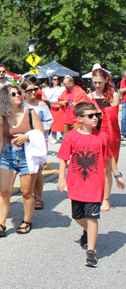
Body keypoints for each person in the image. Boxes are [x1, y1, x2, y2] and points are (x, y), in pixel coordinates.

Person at [57, 102, 125, 267]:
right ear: (80, 118)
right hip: (76, 183)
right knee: (77, 215)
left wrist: (117, 175)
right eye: (91, 116)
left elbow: (108, 157)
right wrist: (61, 179)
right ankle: (88, 231)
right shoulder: (71, 136)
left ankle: (91, 252)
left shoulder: (102, 136)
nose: (95, 118)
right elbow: (63, 158)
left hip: (95, 184)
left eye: (97, 115)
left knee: (92, 217)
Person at [0, 85, 45, 236]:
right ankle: (0, 224)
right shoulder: (2, 117)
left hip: (27, 155)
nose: (18, 95)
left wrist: (27, 137)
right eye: (14, 94)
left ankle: (27, 221)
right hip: (7, 154)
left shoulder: (30, 113)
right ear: (6, 98)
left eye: (19, 93)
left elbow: (41, 133)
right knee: (4, 191)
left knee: (27, 192)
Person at [89, 68, 121, 212]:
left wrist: (102, 112)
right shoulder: (89, 95)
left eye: (100, 83)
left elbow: (114, 117)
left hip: (109, 135)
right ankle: (95, 194)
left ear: (106, 81)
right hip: (93, 134)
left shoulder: (113, 95)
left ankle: (106, 199)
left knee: (106, 168)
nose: (97, 85)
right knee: (93, 167)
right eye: (94, 82)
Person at [22, 80, 54, 211]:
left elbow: (49, 121)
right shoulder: (21, 105)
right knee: (27, 168)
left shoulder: (42, 104)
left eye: (35, 89)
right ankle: (28, 193)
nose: (34, 92)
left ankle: (39, 196)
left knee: (38, 168)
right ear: (24, 92)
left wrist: (38, 130)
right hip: (24, 139)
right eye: (30, 90)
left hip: (39, 139)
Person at [44, 75, 65, 144]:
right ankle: (54, 137)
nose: (56, 80)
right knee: (53, 123)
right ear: (51, 80)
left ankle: (63, 135)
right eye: (54, 79)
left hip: (59, 106)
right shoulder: (48, 89)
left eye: (57, 79)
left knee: (61, 122)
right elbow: (45, 97)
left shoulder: (62, 88)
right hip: (51, 107)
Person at [119, 70, 126, 139]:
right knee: (124, 118)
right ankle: (124, 133)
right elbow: (121, 90)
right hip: (125, 101)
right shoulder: (123, 81)